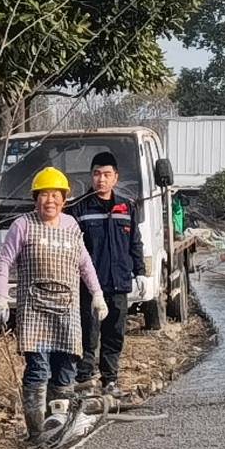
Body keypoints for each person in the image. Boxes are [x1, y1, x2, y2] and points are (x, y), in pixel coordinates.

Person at [0, 164, 109, 443]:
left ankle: (59, 428)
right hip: (34, 313)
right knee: (38, 369)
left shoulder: (71, 226)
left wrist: (97, 294)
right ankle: (36, 433)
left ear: (64, 199)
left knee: (66, 370)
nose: (50, 200)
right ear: (35, 199)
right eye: (44, 195)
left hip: (67, 312)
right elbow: (4, 262)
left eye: (56, 195)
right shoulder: (22, 225)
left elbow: (85, 264)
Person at [71, 153, 145, 396]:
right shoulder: (79, 208)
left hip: (119, 283)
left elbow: (135, 242)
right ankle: (84, 381)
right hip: (90, 287)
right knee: (88, 335)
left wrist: (140, 272)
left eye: (106, 174)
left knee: (114, 336)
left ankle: (110, 381)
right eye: (96, 174)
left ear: (115, 178)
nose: (101, 179)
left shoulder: (127, 206)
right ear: (91, 177)